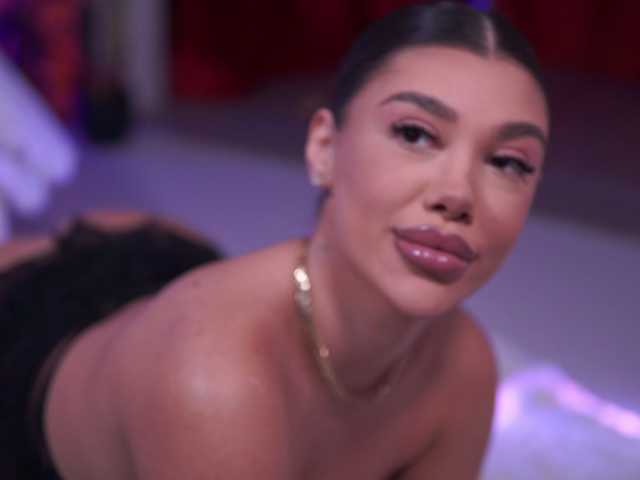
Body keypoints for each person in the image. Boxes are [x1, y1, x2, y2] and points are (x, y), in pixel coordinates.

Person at [1, 2, 549, 478]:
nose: (458, 194)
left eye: (508, 163)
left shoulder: (463, 367)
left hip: (166, 281)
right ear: (324, 149)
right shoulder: (216, 388)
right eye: (414, 133)